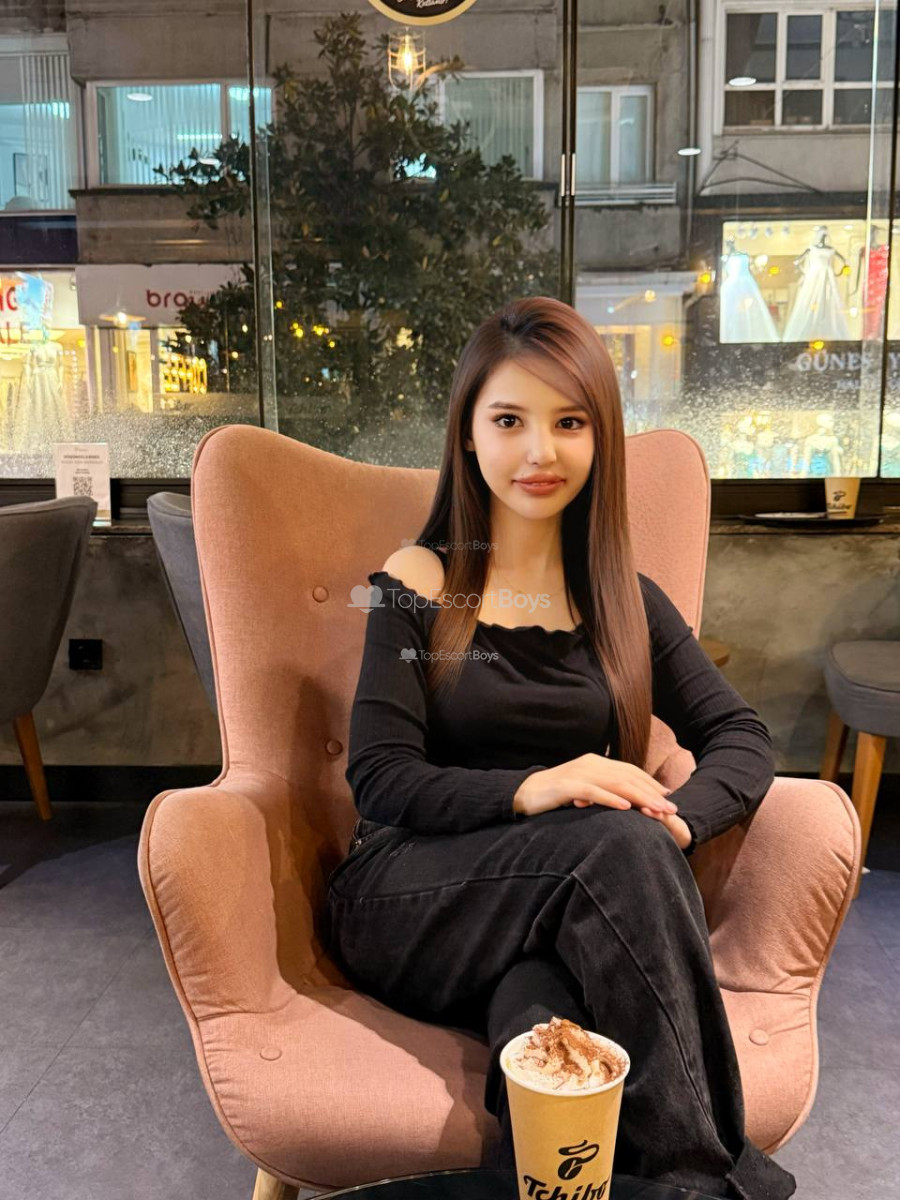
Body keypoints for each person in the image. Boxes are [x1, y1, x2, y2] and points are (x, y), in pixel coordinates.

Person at [324, 296, 796, 1200]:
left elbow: (741, 736)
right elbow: (379, 778)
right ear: (468, 436)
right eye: (509, 420)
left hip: (554, 916)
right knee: (612, 849)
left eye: (569, 423)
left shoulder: (625, 602)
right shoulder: (419, 581)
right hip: (407, 898)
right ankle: (710, 1179)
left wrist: (677, 824)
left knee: (546, 1046)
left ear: (599, 438)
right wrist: (534, 786)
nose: (539, 451)